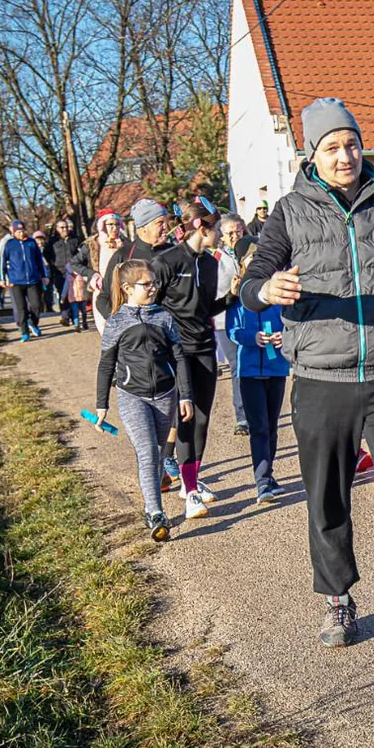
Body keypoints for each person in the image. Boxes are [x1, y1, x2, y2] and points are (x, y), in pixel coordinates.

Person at [240, 97, 374, 661]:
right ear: (312, 154)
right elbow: (255, 277)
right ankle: (338, 596)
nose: (346, 156)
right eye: (332, 147)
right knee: (327, 497)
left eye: (352, 144)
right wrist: (266, 292)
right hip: (320, 377)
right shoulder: (290, 211)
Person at [92, 259, 193, 541]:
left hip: (165, 394)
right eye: (146, 284)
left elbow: (179, 357)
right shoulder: (116, 322)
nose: (153, 288)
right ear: (127, 288)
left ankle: (153, 501)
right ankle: (155, 511)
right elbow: (105, 365)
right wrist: (102, 405)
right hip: (131, 395)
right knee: (147, 451)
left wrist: (185, 395)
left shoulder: (164, 317)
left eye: (154, 283)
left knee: (160, 452)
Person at [152, 196, 229, 520]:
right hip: (176, 352)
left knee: (202, 419)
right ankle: (190, 492)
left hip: (204, 348)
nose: (222, 237)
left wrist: (233, 296)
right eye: (218, 230)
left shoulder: (211, 264)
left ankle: (191, 481)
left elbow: (206, 309)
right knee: (185, 419)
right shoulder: (167, 262)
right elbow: (151, 308)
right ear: (201, 226)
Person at [225, 238, 289, 504]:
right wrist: (254, 338)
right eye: (252, 259)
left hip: (276, 368)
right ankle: (262, 482)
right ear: (244, 264)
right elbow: (232, 330)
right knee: (258, 427)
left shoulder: (278, 296)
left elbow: (290, 322)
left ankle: (269, 475)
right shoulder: (238, 298)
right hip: (249, 370)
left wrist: (283, 335)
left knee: (272, 426)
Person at [212, 215, 250, 435]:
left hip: (251, 316)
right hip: (225, 319)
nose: (235, 236)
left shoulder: (252, 251)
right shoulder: (217, 258)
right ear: (222, 236)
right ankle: (242, 416)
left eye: (238, 231)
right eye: (230, 233)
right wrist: (232, 292)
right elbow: (213, 291)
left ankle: (257, 410)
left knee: (253, 364)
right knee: (237, 364)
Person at [72, 209, 126, 331]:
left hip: (123, 289)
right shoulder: (93, 244)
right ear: (102, 225)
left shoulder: (125, 243)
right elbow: (75, 263)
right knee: (104, 324)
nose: (114, 228)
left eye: (117, 224)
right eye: (110, 224)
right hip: (102, 289)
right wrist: (92, 274)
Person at [0, 219, 46, 341]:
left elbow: (39, 260)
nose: (21, 233)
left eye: (22, 230)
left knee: (36, 305)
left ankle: (33, 323)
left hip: (32, 280)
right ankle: (24, 332)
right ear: (13, 232)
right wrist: (2, 278)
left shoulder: (31, 243)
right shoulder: (9, 244)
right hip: (16, 281)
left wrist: (44, 275)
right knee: (21, 308)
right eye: (18, 231)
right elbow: (1, 262)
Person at [44, 218, 85, 329]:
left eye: (66, 227)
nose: (65, 229)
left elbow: (82, 253)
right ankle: (65, 316)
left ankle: (74, 316)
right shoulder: (52, 242)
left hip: (74, 272)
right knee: (63, 294)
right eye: (62, 227)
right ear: (57, 229)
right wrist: (54, 265)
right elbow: (46, 255)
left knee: (74, 294)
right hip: (59, 272)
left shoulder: (75, 239)